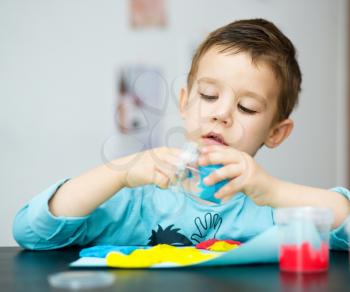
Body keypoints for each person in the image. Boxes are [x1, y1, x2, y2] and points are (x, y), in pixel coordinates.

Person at [13, 18, 350, 250]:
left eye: (246, 107)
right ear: (186, 104)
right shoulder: (140, 199)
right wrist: (122, 173)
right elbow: (31, 231)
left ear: (276, 133)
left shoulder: (274, 209)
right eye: (208, 96)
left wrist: (274, 190)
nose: (221, 113)